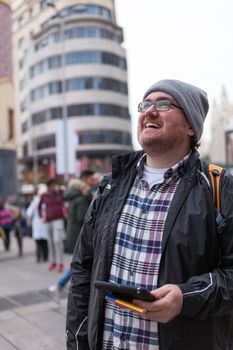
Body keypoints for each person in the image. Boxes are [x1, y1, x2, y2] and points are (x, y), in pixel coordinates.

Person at [66, 79, 233, 350]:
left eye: (164, 104)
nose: (149, 111)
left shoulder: (220, 188)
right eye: (145, 104)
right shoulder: (111, 186)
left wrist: (185, 297)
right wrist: (77, 342)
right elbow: (83, 271)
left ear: (191, 126)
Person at [48, 170, 98, 300]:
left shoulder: (75, 194)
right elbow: (84, 219)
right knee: (80, 263)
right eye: (92, 180)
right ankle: (60, 286)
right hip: (80, 236)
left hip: (74, 234)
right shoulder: (81, 198)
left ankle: (60, 286)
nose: (94, 182)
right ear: (85, 180)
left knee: (79, 263)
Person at [38, 178, 65, 273]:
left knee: (57, 241)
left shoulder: (60, 193)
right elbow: (39, 206)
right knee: (50, 242)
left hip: (58, 219)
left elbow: (65, 203)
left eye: (55, 184)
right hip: (48, 220)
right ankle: (53, 262)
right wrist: (41, 216)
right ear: (48, 186)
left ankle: (60, 262)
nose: (54, 187)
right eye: (52, 185)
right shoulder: (44, 195)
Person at [26, 185, 48, 263]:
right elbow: (29, 212)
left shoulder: (35, 201)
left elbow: (28, 213)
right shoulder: (37, 201)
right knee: (43, 242)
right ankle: (44, 257)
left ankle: (40, 257)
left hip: (40, 224)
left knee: (40, 242)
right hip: (41, 223)